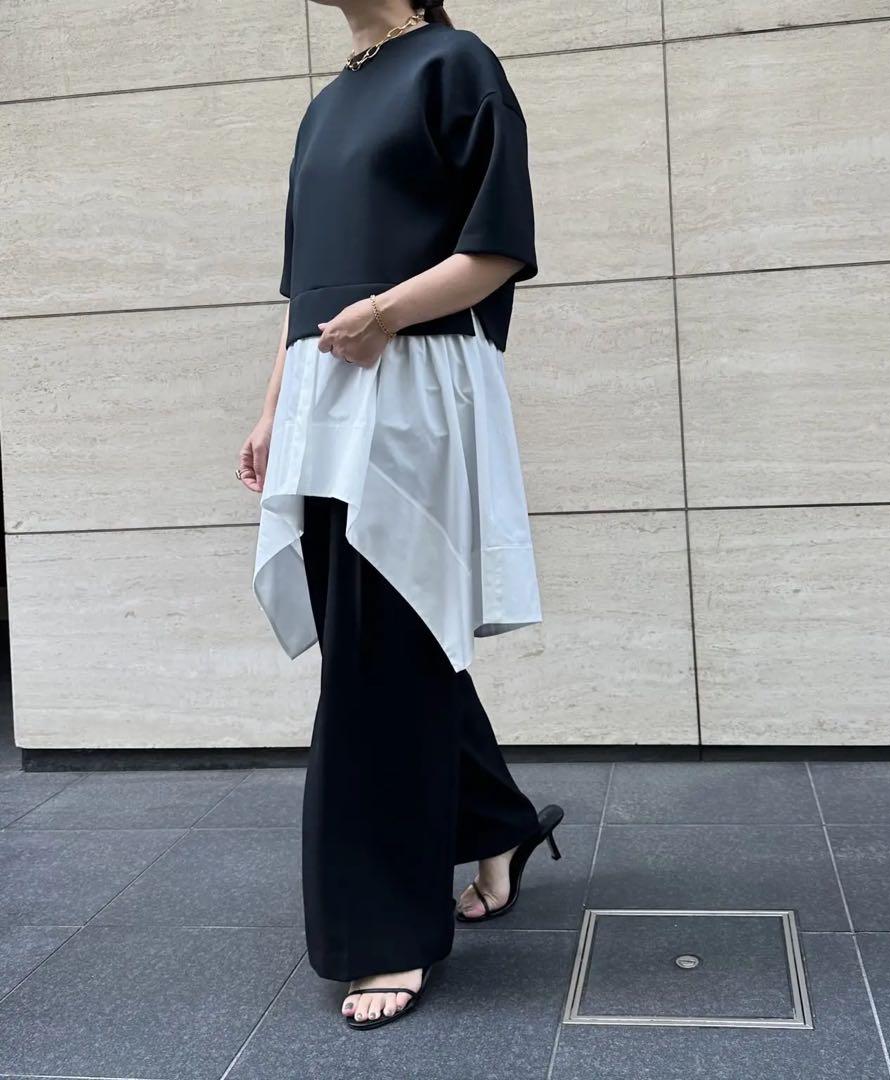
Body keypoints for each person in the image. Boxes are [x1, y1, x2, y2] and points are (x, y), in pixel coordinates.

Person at [235, 0, 564, 1031]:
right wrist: (272, 410)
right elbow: (301, 296)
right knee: (378, 642)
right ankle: (497, 822)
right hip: (325, 396)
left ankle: (384, 932)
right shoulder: (326, 105)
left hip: (414, 388)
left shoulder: (456, 65)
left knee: (380, 654)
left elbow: (497, 248)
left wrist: (385, 312)